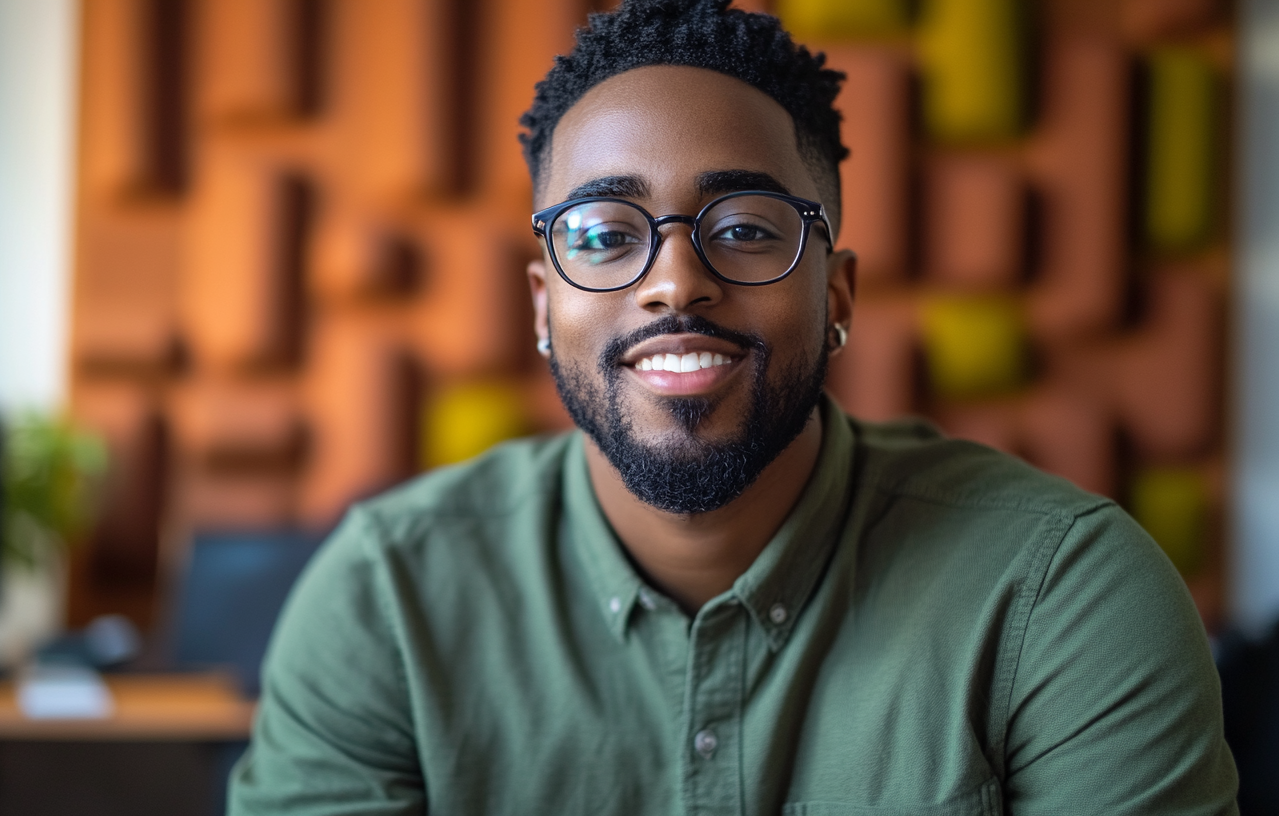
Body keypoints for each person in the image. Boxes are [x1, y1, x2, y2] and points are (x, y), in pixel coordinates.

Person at [229, 1, 1239, 813]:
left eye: (747, 227)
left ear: (834, 295)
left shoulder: (1060, 595)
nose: (674, 281)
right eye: (602, 234)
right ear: (542, 304)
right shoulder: (385, 599)